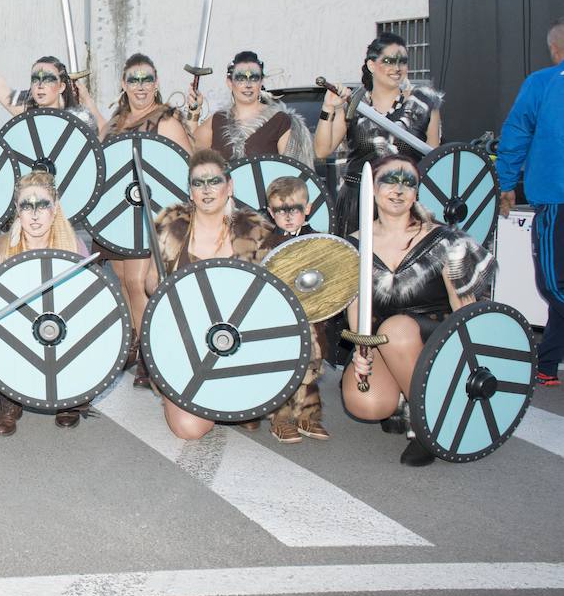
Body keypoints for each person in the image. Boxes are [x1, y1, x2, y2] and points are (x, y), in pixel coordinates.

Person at [340, 154, 494, 466]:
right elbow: (357, 305)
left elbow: (465, 308)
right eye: (389, 181)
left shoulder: (446, 240)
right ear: (371, 189)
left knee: (396, 328)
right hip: (387, 340)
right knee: (366, 403)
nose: (398, 190)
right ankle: (400, 394)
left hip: (437, 336)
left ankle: (429, 425)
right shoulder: (353, 244)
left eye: (408, 182)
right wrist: (361, 350)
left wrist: (471, 363)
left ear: (416, 192)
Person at [146, 148, 277, 440]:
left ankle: (236, 395)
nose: (206, 190)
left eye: (214, 181)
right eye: (198, 183)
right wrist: (166, 290)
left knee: (242, 402)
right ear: (190, 191)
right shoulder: (170, 225)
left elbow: (273, 301)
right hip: (181, 340)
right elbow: (150, 281)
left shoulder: (255, 231)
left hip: (238, 340)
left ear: (229, 186)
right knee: (190, 429)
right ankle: (167, 384)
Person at [0, 171, 97, 435]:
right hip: (16, 333)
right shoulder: (0, 247)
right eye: (27, 206)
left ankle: (69, 399)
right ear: (17, 210)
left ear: (55, 208)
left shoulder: (73, 246)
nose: (35, 214)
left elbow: (92, 302)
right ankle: (10, 399)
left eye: (43, 205)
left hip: (62, 333)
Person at [101, 53, 193, 387]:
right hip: (118, 215)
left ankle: (149, 356)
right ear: (124, 84)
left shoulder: (166, 120)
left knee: (140, 284)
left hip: (152, 217)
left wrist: (173, 227)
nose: (141, 86)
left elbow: (184, 171)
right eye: (134, 79)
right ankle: (138, 343)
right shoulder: (114, 122)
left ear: (156, 82)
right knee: (125, 282)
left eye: (147, 79)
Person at [314, 32, 442, 235]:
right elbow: (321, 151)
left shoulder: (424, 105)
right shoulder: (354, 103)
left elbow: (437, 163)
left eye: (402, 61)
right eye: (389, 61)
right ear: (372, 65)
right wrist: (328, 108)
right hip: (359, 202)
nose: (397, 68)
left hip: (404, 203)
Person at [496, 19, 564, 387]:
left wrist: (506, 182)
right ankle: (548, 364)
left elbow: (517, 131)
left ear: (555, 50)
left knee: (554, 284)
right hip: (555, 196)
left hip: (556, 199)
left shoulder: (543, 82)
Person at [261, 175, 329, 443]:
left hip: (313, 316)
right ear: (270, 212)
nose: (288, 217)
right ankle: (280, 418)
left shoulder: (320, 242)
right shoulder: (266, 244)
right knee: (282, 367)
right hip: (278, 318)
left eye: (295, 209)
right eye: (280, 210)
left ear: (308, 208)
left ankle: (309, 417)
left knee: (310, 369)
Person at [188, 51, 314, 165]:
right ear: (229, 83)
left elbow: (293, 177)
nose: (248, 85)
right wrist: (194, 112)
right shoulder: (217, 120)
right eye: (241, 78)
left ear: (261, 82)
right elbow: (190, 150)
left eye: (254, 78)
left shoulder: (281, 121)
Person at [0, 40, 105, 135]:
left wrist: (88, 101)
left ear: (61, 86)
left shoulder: (79, 116)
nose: (40, 85)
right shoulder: (29, 112)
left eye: (48, 79)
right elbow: (1, 88)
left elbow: (106, 135)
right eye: (35, 79)